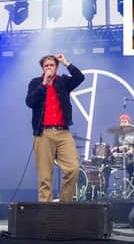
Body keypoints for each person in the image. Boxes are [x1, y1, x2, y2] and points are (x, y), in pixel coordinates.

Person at [25, 54, 84, 202]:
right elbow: (30, 102)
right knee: (45, 177)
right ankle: (46, 213)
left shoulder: (64, 81)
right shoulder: (36, 82)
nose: (49, 68)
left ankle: (64, 207)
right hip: (43, 133)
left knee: (73, 168)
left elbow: (80, 77)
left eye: (52, 65)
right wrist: (44, 84)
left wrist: (66, 62)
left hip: (63, 132)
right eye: (46, 66)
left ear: (56, 67)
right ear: (43, 69)